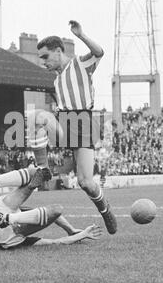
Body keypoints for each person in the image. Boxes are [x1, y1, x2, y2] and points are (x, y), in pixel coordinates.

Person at [30, 20, 117, 235]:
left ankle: (105, 210)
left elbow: (99, 52)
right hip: (65, 121)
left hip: (83, 123)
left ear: (58, 51)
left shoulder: (79, 64)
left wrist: (81, 35)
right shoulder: (57, 79)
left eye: (45, 56)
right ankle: (43, 170)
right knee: (37, 118)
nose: (43, 62)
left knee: (85, 182)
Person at [0, 164, 102, 249]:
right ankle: (6, 214)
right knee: (54, 209)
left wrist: (75, 232)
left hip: (1, 222)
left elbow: (54, 225)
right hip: (2, 224)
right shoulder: (15, 240)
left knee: (54, 208)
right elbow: (57, 242)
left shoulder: (8, 238)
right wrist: (80, 233)